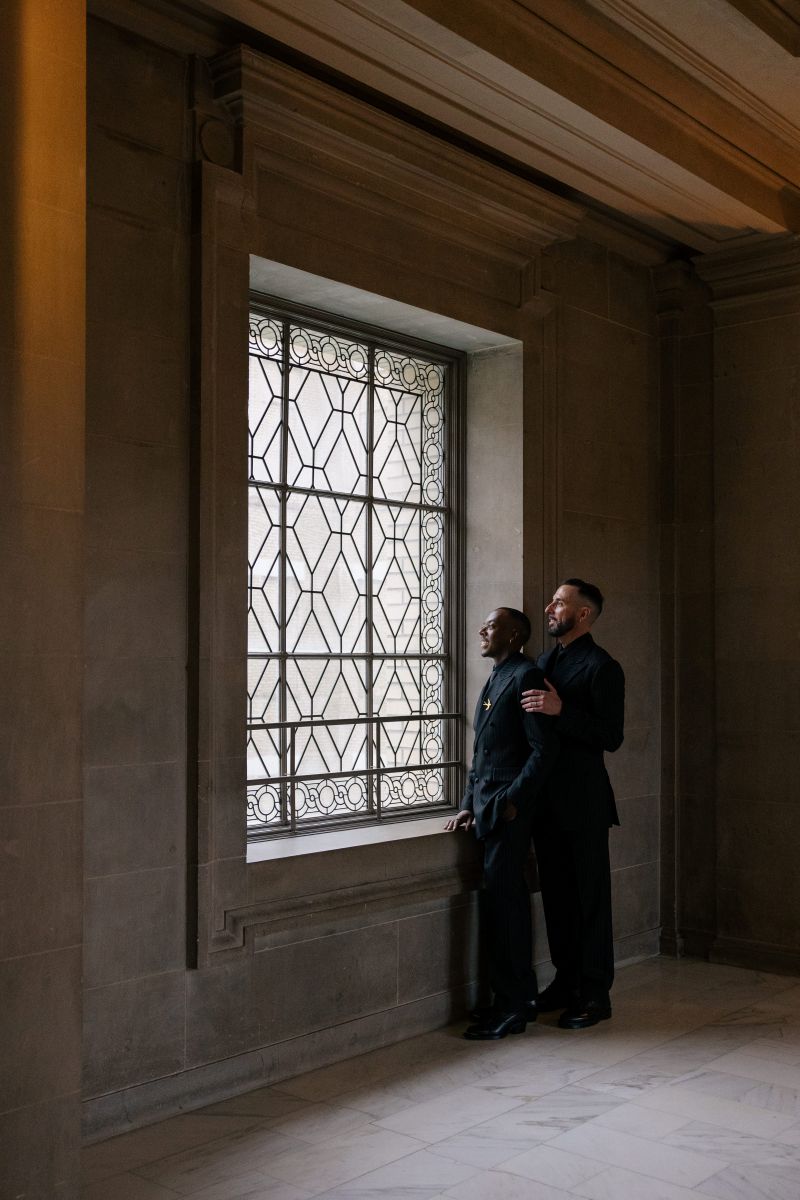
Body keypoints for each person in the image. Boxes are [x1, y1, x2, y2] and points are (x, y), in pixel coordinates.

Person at [445, 607, 558, 1039]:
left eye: (490, 626)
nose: (481, 629)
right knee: (500, 906)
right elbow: (484, 752)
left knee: (506, 909)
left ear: (513, 636)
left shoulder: (525, 676)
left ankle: (513, 1007)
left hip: (509, 813)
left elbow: (543, 749)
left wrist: (512, 801)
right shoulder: (496, 675)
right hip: (488, 808)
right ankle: (515, 1000)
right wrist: (469, 803)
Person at [521, 578, 624, 1029]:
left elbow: (611, 737)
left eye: (559, 602)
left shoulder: (604, 667)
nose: (549, 607)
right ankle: (566, 982)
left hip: (583, 803)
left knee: (589, 899)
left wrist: (562, 711)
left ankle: (596, 994)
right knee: (559, 899)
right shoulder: (547, 660)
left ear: (582, 614)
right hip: (546, 803)